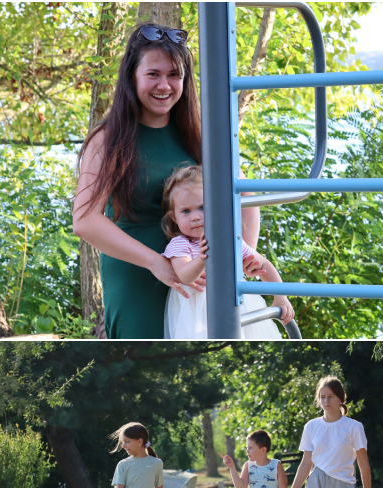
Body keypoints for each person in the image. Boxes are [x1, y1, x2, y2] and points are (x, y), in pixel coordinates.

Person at [72, 23, 263, 338]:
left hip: (201, 278)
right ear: (132, 76)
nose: (164, 85)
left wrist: (240, 260)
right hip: (139, 278)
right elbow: (85, 221)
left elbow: (245, 198)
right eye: (153, 74)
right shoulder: (108, 139)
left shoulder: (201, 133)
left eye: (174, 75)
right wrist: (156, 263)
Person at [160, 166, 293, 338]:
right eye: (186, 211)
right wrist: (201, 260)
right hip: (196, 312)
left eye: (202, 207)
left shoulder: (230, 240)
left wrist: (280, 297)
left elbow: (264, 265)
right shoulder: (180, 244)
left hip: (236, 304)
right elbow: (185, 275)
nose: (195, 216)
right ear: (174, 217)